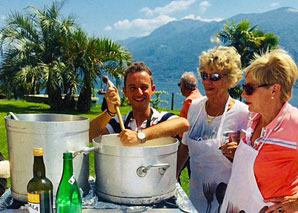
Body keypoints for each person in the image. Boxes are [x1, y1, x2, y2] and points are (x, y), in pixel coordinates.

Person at [220, 49, 298, 213]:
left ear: (274, 90)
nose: (242, 94)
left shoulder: (294, 124)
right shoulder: (252, 118)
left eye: (249, 88)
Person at [176, 46, 249, 212]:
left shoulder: (242, 113)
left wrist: (238, 153)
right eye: (204, 75)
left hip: (227, 200)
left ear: (229, 79)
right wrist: (172, 177)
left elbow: (251, 160)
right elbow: (185, 147)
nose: (207, 81)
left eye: (214, 77)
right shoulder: (195, 107)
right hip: (195, 198)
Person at [89, 62, 189, 145]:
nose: (139, 93)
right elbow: (89, 135)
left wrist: (140, 136)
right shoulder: (118, 124)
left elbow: (183, 123)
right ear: (125, 92)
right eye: (133, 88)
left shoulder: (161, 119)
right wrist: (110, 112)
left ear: (153, 90)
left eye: (144, 87)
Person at [177, 72, 202, 181]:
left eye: (180, 85)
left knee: (175, 170)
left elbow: (187, 124)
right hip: (197, 142)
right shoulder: (200, 97)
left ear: (183, 86)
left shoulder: (190, 101)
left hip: (187, 143)